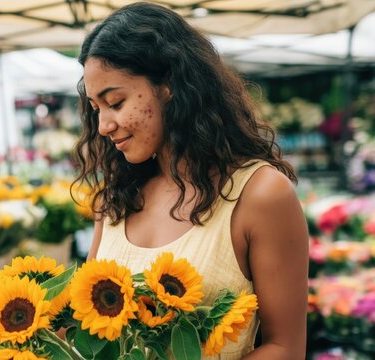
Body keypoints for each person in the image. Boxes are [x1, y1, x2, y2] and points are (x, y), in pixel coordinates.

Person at [74, 3, 308, 359]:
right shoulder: (117, 199)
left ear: (168, 85)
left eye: (116, 102)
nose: (104, 125)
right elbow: (84, 325)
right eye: (97, 109)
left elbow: (285, 348)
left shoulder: (260, 194)